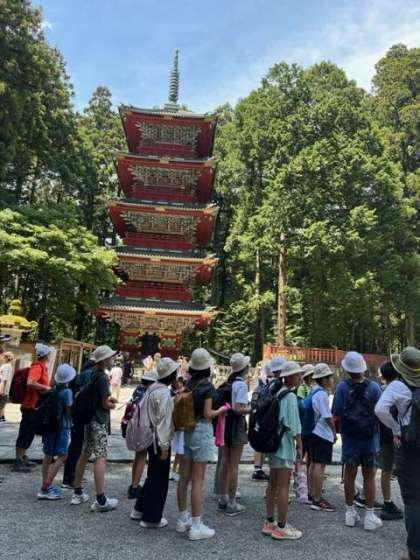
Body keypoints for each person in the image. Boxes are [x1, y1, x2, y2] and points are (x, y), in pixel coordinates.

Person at [176, 348, 227, 541]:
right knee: (198, 480)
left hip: (188, 430)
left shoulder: (188, 384)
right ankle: (197, 526)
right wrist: (221, 410)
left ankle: (183, 519)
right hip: (202, 430)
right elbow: (208, 414)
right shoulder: (208, 387)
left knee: (184, 478)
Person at [375, 347, 420, 560]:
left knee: (413, 500)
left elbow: (380, 409)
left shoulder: (397, 386)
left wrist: (395, 428)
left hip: (409, 446)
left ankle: (415, 552)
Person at [332, 351, 382, 531]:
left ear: (347, 369)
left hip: (350, 438)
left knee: (349, 474)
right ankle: (369, 515)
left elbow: (336, 411)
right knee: (369, 476)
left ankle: (350, 513)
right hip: (370, 439)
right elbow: (381, 411)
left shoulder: (342, 387)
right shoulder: (374, 387)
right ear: (363, 368)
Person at [131, 357, 179, 528]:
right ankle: (151, 518)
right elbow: (164, 422)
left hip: (150, 437)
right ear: (171, 375)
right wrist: (165, 446)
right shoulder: (164, 393)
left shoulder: (152, 388)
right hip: (159, 440)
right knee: (159, 479)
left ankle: (139, 508)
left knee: (153, 475)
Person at [70, 345, 118, 512]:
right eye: (111, 357)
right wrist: (111, 405)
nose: (113, 359)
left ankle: (77, 492)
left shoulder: (92, 374)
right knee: (101, 457)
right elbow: (104, 403)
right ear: (104, 360)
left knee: (84, 454)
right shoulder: (103, 377)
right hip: (98, 420)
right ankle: (101, 499)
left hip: (88, 419)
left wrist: (107, 401)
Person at [263, 361, 303, 540]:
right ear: (289, 377)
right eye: (297, 374)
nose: (299, 377)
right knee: (284, 486)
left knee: (272, 483)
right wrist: (300, 445)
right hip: (285, 445)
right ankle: (282, 526)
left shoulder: (277, 392)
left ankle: (269, 521)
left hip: (273, 444)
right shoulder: (291, 397)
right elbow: (294, 425)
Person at [37, 364, 76, 500]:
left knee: (48, 456)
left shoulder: (53, 390)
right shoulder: (67, 392)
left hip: (49, 426)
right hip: (62, 426)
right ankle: (46, 487)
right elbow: (69, 411)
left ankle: (45, 485)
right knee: (63, 455)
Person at [218, 352, 250, 516]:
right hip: (236, 425)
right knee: (234, 465)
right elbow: (238, 409)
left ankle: (223, 497)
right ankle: (232, 502)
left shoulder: (227, 383)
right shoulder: (241, 385)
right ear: (245, 368)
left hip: (224, 423)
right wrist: (252, 408)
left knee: (224, 462)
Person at [14, 343, 52, 473]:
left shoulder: (42, 367)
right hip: (30, 405)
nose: (50, 355)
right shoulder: (37, 367)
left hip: (34, 405)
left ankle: (23, 457)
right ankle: (18, 460)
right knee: (25, 432)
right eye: (49, 353)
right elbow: (30, 382)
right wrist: (46, 387)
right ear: (46, 355)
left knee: (29, 432)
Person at [62, 356, 96, 489]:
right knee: (77, 446)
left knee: (77, 446)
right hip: (81, 414)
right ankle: (70, 477)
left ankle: (74, 475)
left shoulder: (84, 373)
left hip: (77, 413)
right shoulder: (90, 374)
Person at [375, 361, 403, 521]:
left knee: (386, 470)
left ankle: (387, 501)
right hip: (396, 435)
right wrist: (396, 429)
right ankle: (390, 503)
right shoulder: (400, 390)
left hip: (384, 435)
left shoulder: (381, 390)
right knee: (392, 469)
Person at [124, 368, 158, 499]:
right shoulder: (150, 393)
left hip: (134, 425)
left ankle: (133, 483)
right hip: (144, 427)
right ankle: (135, 487)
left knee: (137, 456)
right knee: (142, 457)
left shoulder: (138, 390)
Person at [307, 363, 337, 512]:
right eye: (330, 377)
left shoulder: (313, 391)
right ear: (324, 379)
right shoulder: (322, 394)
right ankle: (318, 499)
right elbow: (327, 416)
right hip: (322, 434)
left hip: (313, 432)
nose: (332, 380)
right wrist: (334, 432)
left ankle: (311, 493)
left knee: (313, 463)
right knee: (320, 465)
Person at [170, 376, 186, 482]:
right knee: (179, 452)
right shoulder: (174, 398)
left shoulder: (185, 397)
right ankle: (175, 471)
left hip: (182, 428)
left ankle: (177, 471)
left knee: (181, 452)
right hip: (178, 428)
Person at [0, 351, 14, 421]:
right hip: (5, 387)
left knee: (1, 403)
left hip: (2, 386)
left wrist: (3, 390)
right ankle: (2, 416)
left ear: (6, 358)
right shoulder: (10, 366)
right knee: (2, 403)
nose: (2, 358)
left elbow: (5, 379)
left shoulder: (5, 366)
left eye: (3, 357)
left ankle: (1, 416)